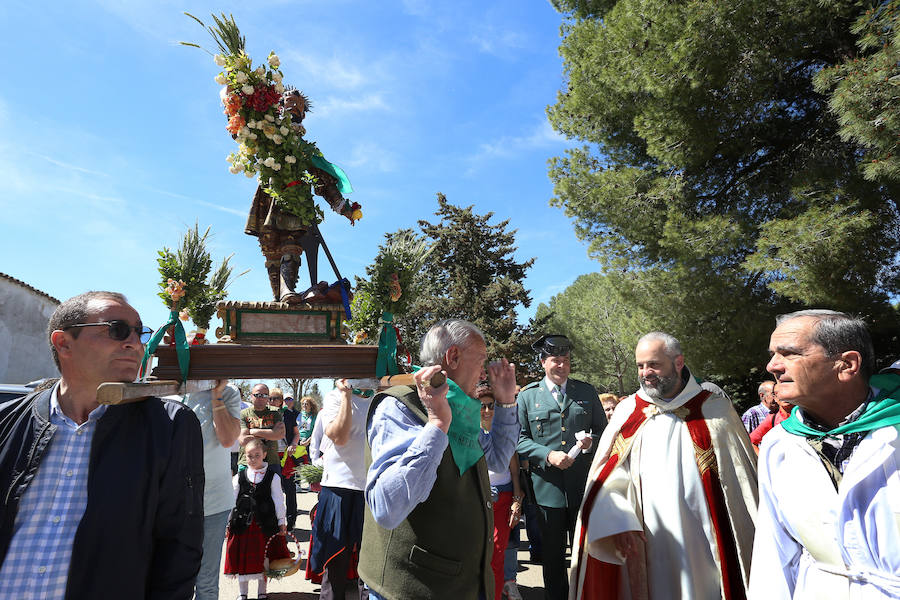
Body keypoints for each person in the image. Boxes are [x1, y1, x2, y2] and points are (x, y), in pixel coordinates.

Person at [0, 291, 204, 599]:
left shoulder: (171, 426)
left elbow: (178, 551)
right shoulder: (7, 422)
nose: (134, 343)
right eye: (117, 329)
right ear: (64, 343)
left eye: (139, 332)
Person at [570, 331, 758, 600]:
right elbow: (609, 474)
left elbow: (739, 482)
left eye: (654, 364)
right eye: (640, 366)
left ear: (678, 362)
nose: (646, 373)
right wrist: (620, 522)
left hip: (705, 540)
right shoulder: (628, 412)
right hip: (647, 536)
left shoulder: (715, 408)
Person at [360, 319, 520, 600]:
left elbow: (496, 460)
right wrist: (436, 425)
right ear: (453, 356)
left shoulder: (461, 408)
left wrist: (506, 403)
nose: (484, 372)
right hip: (413, 589)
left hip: (462, 585)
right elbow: (387, 507)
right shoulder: (399, 405)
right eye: (480, 361)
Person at [749, 311, 900, 599]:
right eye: (773, 354)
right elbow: (774, 553)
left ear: (847, 365)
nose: (772, 365)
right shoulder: (779, 444)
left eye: (790, 353)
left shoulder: (895, 427)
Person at [245, 89, 359, 303]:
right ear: (279, 107)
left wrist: (343, 207)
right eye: (288, 102)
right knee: (271, 248)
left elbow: (324, 180)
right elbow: (246, 132)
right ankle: (278, 295)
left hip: (296, 199)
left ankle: (288, 290)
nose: (293, 107)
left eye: (297, 105)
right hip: (270, 196)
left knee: (292, 243)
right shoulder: (268, 134)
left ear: (303, 114)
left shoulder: (306, 150)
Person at [516, 334, 607, 600]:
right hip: (547, 490)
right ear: (543, 362)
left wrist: (591, 444)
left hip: (583, 488)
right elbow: (519, 439)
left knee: (585, 553)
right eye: (556, 360)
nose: (561, 366)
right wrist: (547, 455)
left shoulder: (586, 392)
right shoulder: (528, 396)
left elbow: (607, 434)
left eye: (566, 360)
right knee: (553, 557)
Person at [309, 378, 375, 600]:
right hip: (338, 487)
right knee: (335, 562)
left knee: (371, 564)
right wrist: (347, 396)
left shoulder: (381, 394)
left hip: (372, 488)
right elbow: (339, 436)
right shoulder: (334, 397)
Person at [184, 379, 242, 600]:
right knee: (173, 578)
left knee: (206, 582)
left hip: (214, 501)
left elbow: (228, 439)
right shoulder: (166, 389)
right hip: (174, 500)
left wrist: (216, 396)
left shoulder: (228, 392)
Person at [223, 438, 291, 600]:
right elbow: (231, 501)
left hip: (265, 525)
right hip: (242, 525)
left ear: (265, 455)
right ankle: (243, 593)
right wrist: (228, 522)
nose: (253, 459)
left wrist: (282, 522)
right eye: (249, 456)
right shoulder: (239, 477)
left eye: (257, 455)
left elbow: (278, 501)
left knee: (263, 557)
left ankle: (262, 592)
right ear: (244, 456)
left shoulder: (272, 477)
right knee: (243, 557)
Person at [479, 384, 525, 600]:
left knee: (497, 555)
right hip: (478, 498)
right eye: (482, 406)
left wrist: (517, 500)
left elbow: (515, 472)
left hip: (504, 497)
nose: (487, 411)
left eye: (491, 406)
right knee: (478, 555)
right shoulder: (468, 432)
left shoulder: (504, 433)